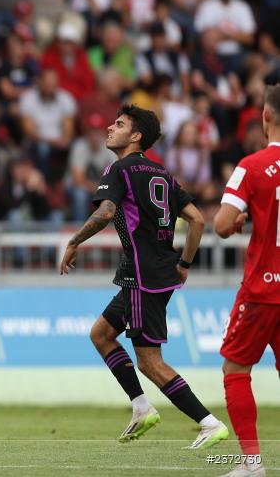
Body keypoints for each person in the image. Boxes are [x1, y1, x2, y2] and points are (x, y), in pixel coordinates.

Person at [60, 105, 229, 449]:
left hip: (141, 274)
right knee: (102, 334)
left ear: (135, 136)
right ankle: (141, 407)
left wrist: (74, 241)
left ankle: (209, 423)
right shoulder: (161, 173)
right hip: (156, 271)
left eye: (119, 124)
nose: (110, 127)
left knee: (150, 362)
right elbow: (197, 219)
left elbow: (106, 212)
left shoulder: (119, 169)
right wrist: (185, 264)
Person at [212, 85, 280, 477]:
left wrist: (238, 221)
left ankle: (252, 464)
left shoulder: (251, 166)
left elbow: (221, 225)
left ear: (265, 117)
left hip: (261, 289)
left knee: (236, 369)